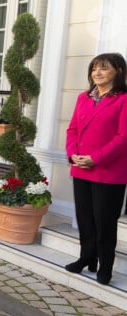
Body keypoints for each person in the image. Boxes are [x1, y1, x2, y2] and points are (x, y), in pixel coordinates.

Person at [64, 52, 127, 285]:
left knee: (104, 221)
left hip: (108, 172)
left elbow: (124, 137)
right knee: (85, 218)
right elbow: (72, 130)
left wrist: (96, 158)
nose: (97, 73)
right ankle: (86, 258)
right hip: (81, 168)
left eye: (104, 68)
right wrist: (72, 155)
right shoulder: (83, 97)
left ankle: (105, 266)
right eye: (94, 69)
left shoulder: (124, 99)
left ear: (118, 71)